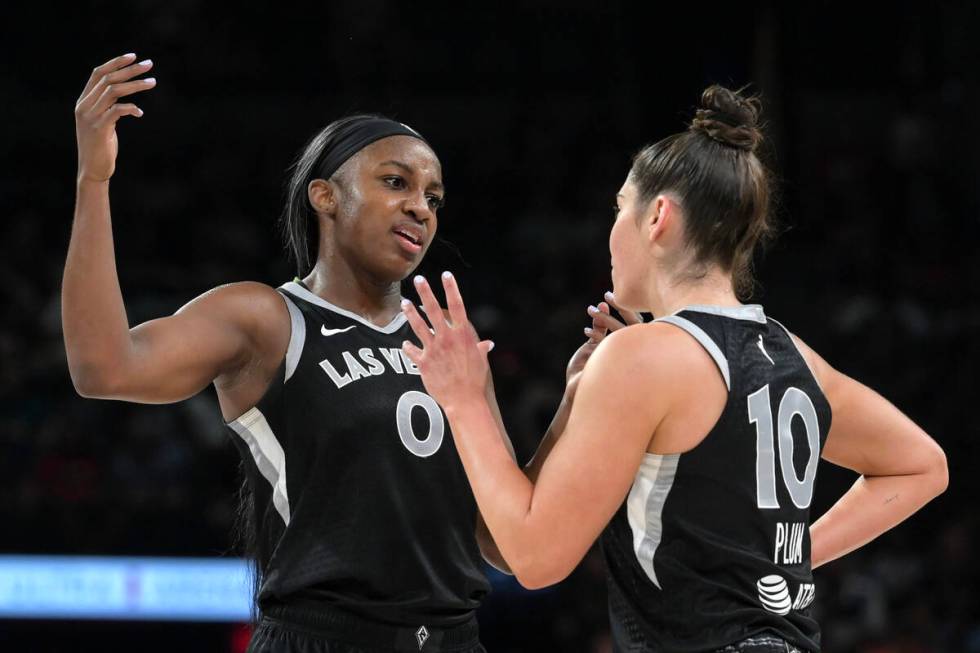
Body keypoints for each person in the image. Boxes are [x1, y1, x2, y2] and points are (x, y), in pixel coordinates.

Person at [399, 85, 949, 652]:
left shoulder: (643, 356)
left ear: (658, 215)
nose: (612, 230)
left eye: (619, 208)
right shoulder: (795, 353)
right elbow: (922, 466)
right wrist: (793, 557)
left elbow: (533, 560)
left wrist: (464, 400)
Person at [63, 52, 537, 653]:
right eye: (396, 182)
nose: (421, 206)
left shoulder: (449, 344)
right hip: (320, 637)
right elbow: (102, 367)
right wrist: (93, 180)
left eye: (434, 198)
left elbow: (503, 543)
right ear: (325, 196)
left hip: (456, 639)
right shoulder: (266, 319)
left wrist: (578, 399)